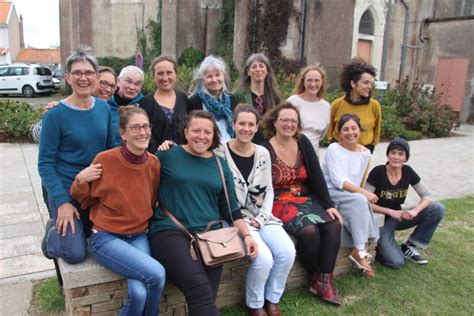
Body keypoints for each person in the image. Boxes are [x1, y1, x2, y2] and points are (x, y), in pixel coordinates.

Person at [148, 110, 258, 315]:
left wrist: (247, 236)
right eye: (196, 130)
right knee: (200, 290)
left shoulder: (220, 164)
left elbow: (231, 208)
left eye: (207, 132)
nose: (201, 136)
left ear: (214, 135)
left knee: (207, 296)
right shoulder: (167, 155)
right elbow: (144, 183)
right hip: (170, 231)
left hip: (211, 238)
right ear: (186, 132)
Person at [70, 107, 166, 315]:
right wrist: (80, 180)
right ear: (123, 134)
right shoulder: (105, 160)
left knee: (140, 293)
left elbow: (152, 198)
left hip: (138, 235)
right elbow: (82, 198)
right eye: (135, 127)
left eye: (146, 126)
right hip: (106, 238)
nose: (143, 132)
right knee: (157, 273)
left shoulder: (154, 164)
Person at [261, 102, 344, 306]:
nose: (288, 124)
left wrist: (329, 204)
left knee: (333, 224)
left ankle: (324, 279)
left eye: (293, 121)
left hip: (304, 197)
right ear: (275, 122)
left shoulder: (303, 142)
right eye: (284, 120)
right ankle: (315, 275)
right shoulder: (264, 147)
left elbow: (316, 175)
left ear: (297, 125)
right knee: (309, 231)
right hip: (278, 200)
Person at [38, 48, 116, 264]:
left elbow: (112, 148)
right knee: (75, 253)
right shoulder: (55, 116)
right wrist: (61, 202)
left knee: (102, 237)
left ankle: (73, 227)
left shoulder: (103, 108)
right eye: (77, 73)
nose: (83, 78)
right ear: (67, 77)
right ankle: (53, 232)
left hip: (94, 191)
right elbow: (45, 164)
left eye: (89, 73)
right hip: (65, 189)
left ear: (97, 77)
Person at [222, 104, 295, 315]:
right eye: (241, 123)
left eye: (250, 124)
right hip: (236, 219)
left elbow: (270, 189)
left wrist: (262, 219)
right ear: (233, 125)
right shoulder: (220, 152)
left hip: (263, 216)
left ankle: (272, 299)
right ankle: (254, 304)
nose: (246, 128)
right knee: (263, 258)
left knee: (287, 252)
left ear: (256, 128)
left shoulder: (263, 152)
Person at [365, 137, 445, 268]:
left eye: (401, 154)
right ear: (388, 155)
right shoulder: (378, 172)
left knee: (437, 208)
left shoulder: (408, 171)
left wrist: (415, 211)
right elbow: (364, 201)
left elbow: (427, 196)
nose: (396, 157)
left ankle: (410, 245)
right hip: (380, 222)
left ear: (406, 158)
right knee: (396, 262)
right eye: (393, 153)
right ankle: (382, 247)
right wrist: (389, 211)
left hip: (399, 218)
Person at [322, 113, 379, 278]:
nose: (350, 133)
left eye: (354, 128)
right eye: (345, 129)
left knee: (360, 201)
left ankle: (358, 250)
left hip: (350, 195)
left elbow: (356, 179)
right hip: (331, 193)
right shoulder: (334, 149)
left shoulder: (365, 153)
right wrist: (365, 193)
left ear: (359, 130)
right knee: (362, 200)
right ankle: (361, 251)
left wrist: (360, 194)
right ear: (339, 133)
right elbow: (338, 180)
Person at [327, 58, 381, 153]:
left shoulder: (374, 106)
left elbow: (376, 132)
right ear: (353, 83)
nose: (369, 87)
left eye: (370, 83)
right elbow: (330, 132)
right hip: (340, 152)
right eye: (365, 82)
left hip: (363, 152)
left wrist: (370, 148)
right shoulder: (337, 105)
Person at [140, 56, 188, 152]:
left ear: (176, 74)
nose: (165, 78)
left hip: (183, 157)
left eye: (169, 73)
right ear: (154, 76)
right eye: (160, 73)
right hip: (157, 158)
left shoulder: (183, 98)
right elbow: (144, 133)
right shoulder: (146, 102)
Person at [187, 55, 237, 144]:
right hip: (206, 147)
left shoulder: (232, 99)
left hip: (230, 146)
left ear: (223, 76)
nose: (214, 80)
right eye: (209, 76)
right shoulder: (194, 101)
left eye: (218, 75)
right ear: (203, 80)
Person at [234, 53, 281, 144]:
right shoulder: (238, 94)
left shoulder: (275, 95)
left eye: (261, 66)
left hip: (269, 142)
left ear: (267, 70)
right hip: (246, 141)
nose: (258, 69)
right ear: (248, 72)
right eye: (254, 67)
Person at [287, 65, 330, 155]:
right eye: (309, 80)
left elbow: (321, 135)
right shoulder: (293, 101)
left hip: (313, 155)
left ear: (322, 82)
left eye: (317, 80)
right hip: (292, 153)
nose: (313, 84)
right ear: (303, 82)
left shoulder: (326, 107)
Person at [109, 65, 145, 143]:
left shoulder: (144, 105)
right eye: (128, 81)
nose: (132, 87)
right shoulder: (106, 102)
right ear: (118, 81)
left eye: (137, 84)